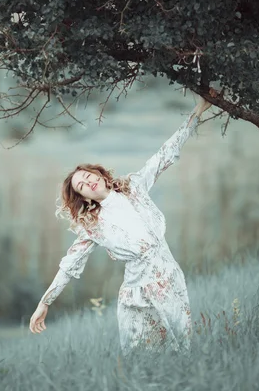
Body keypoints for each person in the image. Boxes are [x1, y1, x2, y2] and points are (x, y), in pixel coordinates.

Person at [29, 90, 216, 356]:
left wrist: (197, 112)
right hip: (136, 296)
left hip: (169, 278)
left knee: (182, 348)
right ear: (84, 197)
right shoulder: (92, 225)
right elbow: (69, 266)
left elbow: (164, 155)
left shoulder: (135, 187)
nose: (88, 182)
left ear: (99, 173)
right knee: (141, 359)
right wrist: (44, 303)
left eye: (87, 175)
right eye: (81, 186)